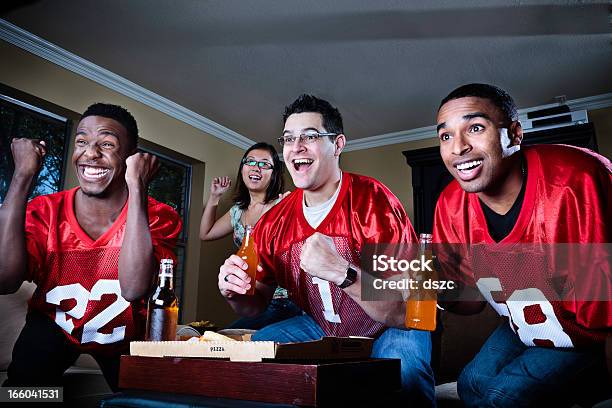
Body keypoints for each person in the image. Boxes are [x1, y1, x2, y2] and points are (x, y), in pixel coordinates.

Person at [218, 94, 435, 405]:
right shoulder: (274, 221)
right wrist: (235, 292)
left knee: (405, 375)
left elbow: (407, 310)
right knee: (260, 351)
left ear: (337, 144)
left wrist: (342, 272)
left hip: (388, 325)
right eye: (289, 138)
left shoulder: (375, 201)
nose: (296, 147)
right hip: (321, 325)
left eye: (310, 136)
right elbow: (255, 305)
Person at [432, 83, 611, 407]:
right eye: (445, 135)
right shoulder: (449, 204)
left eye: (474, 128)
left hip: (589, 335)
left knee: (504, 397)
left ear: (514, 134)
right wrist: (426, 288)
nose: (457, 147)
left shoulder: (577, 182)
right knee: (471, 385)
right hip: (528, 325)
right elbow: (470, 300)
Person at [0, 103, 182, 391]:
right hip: (54, 325)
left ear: (130, 158)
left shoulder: (158, 216)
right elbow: (5, 281)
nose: (90, 153)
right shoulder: (46, 211)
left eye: (107, 143)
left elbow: (134, 289)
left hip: (125, 332)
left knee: (146, 399)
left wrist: (137, 186)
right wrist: (22, 176)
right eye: (82, 141)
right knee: (21, 395)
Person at [199, 142, 301, 328]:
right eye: (251, 162)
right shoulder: (237, 212)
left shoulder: (283, 205)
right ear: (243, 168)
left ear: (274, 173)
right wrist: (214, 197)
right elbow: (206, 233)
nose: (256, 168)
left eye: (264, 164)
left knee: (240, 341)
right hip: (253, 297)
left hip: (286, 300)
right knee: (227, 339)